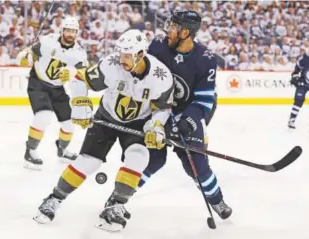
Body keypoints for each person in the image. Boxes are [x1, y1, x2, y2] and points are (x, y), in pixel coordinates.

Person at [33, 29, 175, 232]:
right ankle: (54, 198)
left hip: (137, 124)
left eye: (127, 55)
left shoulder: (161, 77)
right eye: (121, 53)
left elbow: (163, 108)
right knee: (88, 161)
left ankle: (116, 205)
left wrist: (156, 126)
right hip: (106, 117)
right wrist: (81, 104)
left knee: (138, 156)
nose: (121, 59)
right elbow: (80, 79)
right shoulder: (111, 64)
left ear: (141, 55)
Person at [133, 10, 232, 220]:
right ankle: (121, 195)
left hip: (190, 112)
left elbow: (205, 100)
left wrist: (188, 120)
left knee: (196, 163)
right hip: (159, 110)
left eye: (174, 27)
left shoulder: (206, 60)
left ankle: (216, 200)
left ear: (186, 32)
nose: (169, 30)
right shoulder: (158, 46)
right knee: (152, 159)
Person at [17, 17, 88, 170]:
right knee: (43, 116)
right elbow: (31, 52)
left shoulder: (79, 53)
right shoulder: (48, 41)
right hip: (38, 83)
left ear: (77, 33)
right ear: (62, 30)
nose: (70, 34)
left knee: (69, 123)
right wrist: (24, 54)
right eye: (67, 30)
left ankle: (62, 150)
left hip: (58, 88)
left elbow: (83, 73)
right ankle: (30, 151)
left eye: (73, 31)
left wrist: (73, 72)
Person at [288, 53, 309, 130]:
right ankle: (292, 119)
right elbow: (296, 70)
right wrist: (295, 78)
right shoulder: (304, 59)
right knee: (298, 101)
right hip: (303, 84)